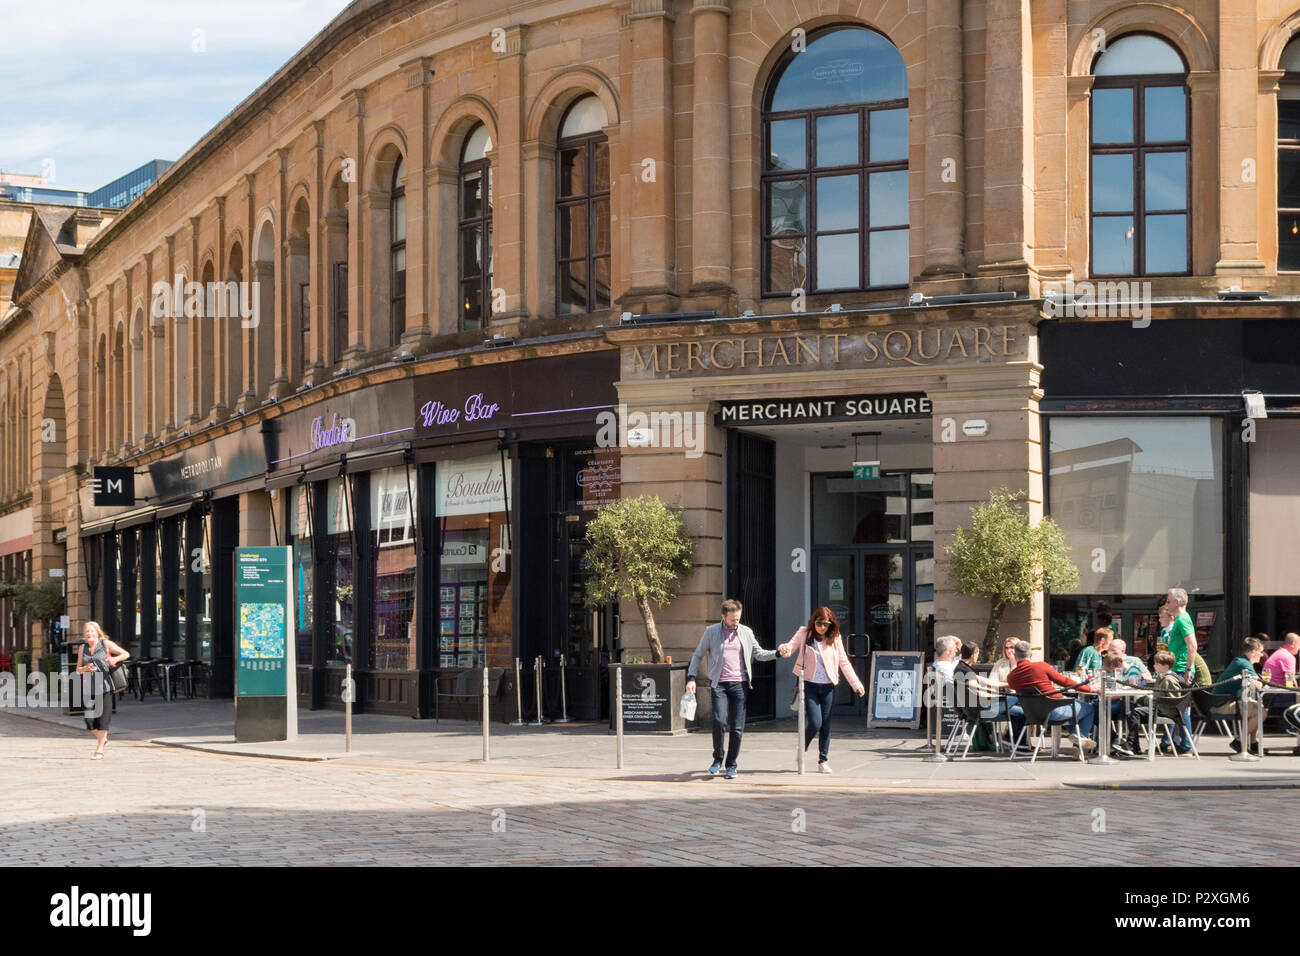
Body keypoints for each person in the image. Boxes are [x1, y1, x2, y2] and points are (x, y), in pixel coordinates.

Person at [686, 599, 777, 779]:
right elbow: (698, 655)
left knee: (737, 727)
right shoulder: (711, 632)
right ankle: (717, 759)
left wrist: (778, 653)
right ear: (723, 616)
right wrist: (691, 678)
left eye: (738, 619)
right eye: (733, 620)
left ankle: (731, 764)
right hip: (719, 683)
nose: (736, 623)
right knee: (719, 721)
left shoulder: (746, 632)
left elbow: (758, 653)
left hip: (740, 684)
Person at [777, 606, 864, 773]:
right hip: (810, 685)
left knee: (826, 725)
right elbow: (790, 647)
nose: (822, 627)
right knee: (815, 722)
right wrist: (784, 649)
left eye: (826, 624)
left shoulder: (834, 637)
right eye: (819, 623)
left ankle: (823, 761)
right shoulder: (805, 633)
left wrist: (856, 684)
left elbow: (843, 662)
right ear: (813, 621)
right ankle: (802, 749)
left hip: (829, 686)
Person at [1006, 640, 1096, 751]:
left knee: (1073, 712)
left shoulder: (1011, 677)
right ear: (1031, 654)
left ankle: (1077, 740)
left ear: (1015, 655)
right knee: (1089, 708)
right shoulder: (1041, 666)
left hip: (1033, 714)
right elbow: (1065, 681)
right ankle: (1080, 741)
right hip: (1055, 709)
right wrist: (1090, 688)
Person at [75, 621, 130, 760]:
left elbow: (125, 654)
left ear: (97, 632)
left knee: (103, 720)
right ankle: (102, 738)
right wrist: (85, 669)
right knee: (89, 722)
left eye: (92, 631)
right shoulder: (83, 648)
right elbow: (77, 670)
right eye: (87, 631)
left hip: (105, 686)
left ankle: (99, 750)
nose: (89, 633)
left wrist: (114, 659)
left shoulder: (105, 644)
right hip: (89, 688)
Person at [1124, 650, 1193, 755]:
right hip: (1160, 708)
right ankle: (1133, 746)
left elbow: (1173, 698)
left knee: (1135, 712)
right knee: (1133, 712)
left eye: (1157, 663)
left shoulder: (1168, 679)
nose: (1154, 665)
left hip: (1165, 711)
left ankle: (1131, 745)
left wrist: (1148, 700)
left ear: (1165, 666)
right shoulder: (1163, 677)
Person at [1214, 635, 1266, 754]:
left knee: (1257, 707)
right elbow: (1258, 685)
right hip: (1221, 705)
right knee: (1261, 711)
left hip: (1221, 702)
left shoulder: (1240, 661)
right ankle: (1239, 741)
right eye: (1261, 652)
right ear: (1253, 652)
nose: (1262, 655)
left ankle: (1252, 743)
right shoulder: (1244, 663)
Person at [1165, 587, 1198, 685]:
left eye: (1168, 601)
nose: (1166, 605)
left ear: (1177, 602)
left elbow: (1192, 645)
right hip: (1178, 669)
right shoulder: (1180, 619)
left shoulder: (1182, 619)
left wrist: (1187, 670)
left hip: (1181, 670)